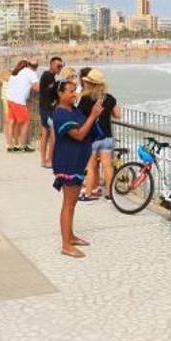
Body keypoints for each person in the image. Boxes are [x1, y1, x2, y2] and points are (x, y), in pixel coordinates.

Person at [51, 80, 104, 258]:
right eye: (71, 91)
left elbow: (86, 128)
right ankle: (66, 245)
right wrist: (93, 115)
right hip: (68, 162)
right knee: (68, 204)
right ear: (60, 94)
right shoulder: (60, 114)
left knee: (72, 204)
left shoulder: (73, 110)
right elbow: (79, 134)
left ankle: (70, 236)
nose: (75, 94)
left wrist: (93, 114)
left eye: (76, 91)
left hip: (76, 161)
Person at [77, 69, 120, 201]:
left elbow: (79, 118)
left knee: (91, 166)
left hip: (91, 137)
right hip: (106, 136)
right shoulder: (110, 98)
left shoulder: (85, 99)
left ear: (89, 83)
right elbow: (118, 115)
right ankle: (110, 194)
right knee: (107, 165)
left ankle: (88, 193)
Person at [5, 59, 39, 152]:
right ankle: (22, 145)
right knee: (25, 122)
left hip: (10, 99)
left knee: (13, 122)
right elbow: (37, 87)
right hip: (19, 101)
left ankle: (11, 145)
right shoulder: (30, 73)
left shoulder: (16, 72)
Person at [38, 57, 63, 167]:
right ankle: (49, 160)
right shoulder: (48, 76)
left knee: (45, 134)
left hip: (44, 108)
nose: (60, 68)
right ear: (51, 65)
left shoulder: (48, 76)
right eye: (58, 66)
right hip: (48, 110)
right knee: (53, 135)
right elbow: (53, 92)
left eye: (61, 66)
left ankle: (44, 160)